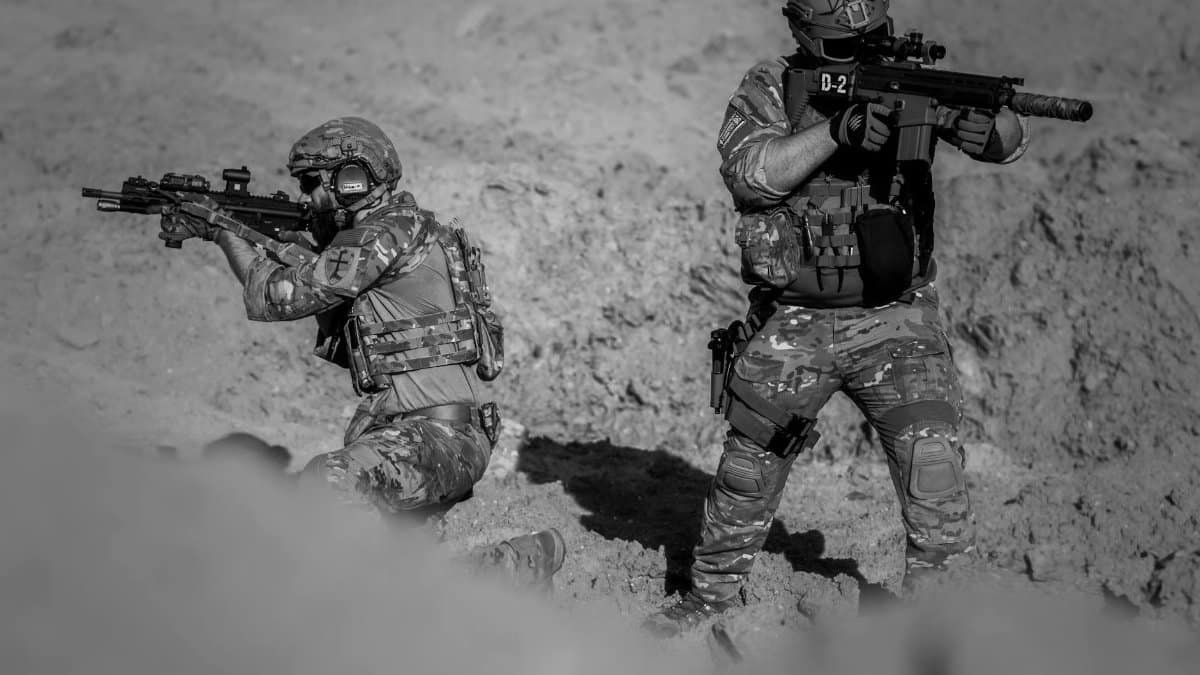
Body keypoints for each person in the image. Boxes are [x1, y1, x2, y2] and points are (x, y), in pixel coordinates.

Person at [644, 0, 1029, 637]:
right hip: (794, 316)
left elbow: (1009, 144)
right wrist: (836, 132)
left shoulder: (910, 80)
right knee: (747, 470)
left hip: (894, 319)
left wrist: (979, 122)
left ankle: (935, 623)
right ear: (802, 34)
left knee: (932, 464)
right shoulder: (771, 85)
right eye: (844, 45)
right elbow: (751, 176)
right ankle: (710, 597)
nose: (865, 50)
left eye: (871, 37)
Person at [161, 116, 564, 587]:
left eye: (312, 182)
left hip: (439, 437)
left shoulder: (387, 233)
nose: (306, 196)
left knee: (330, 481)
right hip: (426, 438)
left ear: (351, 180)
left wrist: (221, 227)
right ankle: (519, 563)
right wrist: (270, 236)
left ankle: (498, 572)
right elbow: (320, 278)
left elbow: (276, 295)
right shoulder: (402, 234)